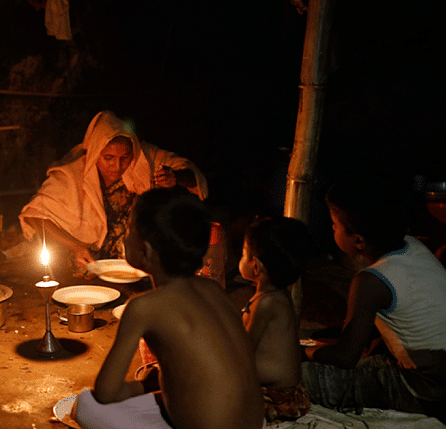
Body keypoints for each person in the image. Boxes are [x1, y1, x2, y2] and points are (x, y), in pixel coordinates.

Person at [72, 187, 264, 429]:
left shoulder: (143, 307)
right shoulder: (213, 289)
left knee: (86, 405)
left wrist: (142, 387)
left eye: (129, 231)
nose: (124, 238)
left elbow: (105, 392)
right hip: (256, 423)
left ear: (145, 250)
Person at [302, 173, 446, 417]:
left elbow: (345, 356)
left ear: (358, 240)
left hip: (428, 391)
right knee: (341, 349)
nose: (332, 229)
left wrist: (301, 352)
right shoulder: (413, 245)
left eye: (335, 225)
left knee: (300, 376)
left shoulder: (371, 281)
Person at [19, 110, 208, 276]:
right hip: (83, 267)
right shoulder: (71, 175)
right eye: (108, 158)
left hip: (135, 267)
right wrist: (76, 247)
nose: (117, 166)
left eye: (124, 157)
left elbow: (191, 174)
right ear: (95, 153)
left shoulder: (144, 160)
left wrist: (175, 177)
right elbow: (35, 216)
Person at [239, 217, 312, 424]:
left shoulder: (267, 303)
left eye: (243, 254)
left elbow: (243, 348)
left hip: (278, 397)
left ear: (255, 266)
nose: (240, 258)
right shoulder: (274, 295)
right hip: (277, 389)